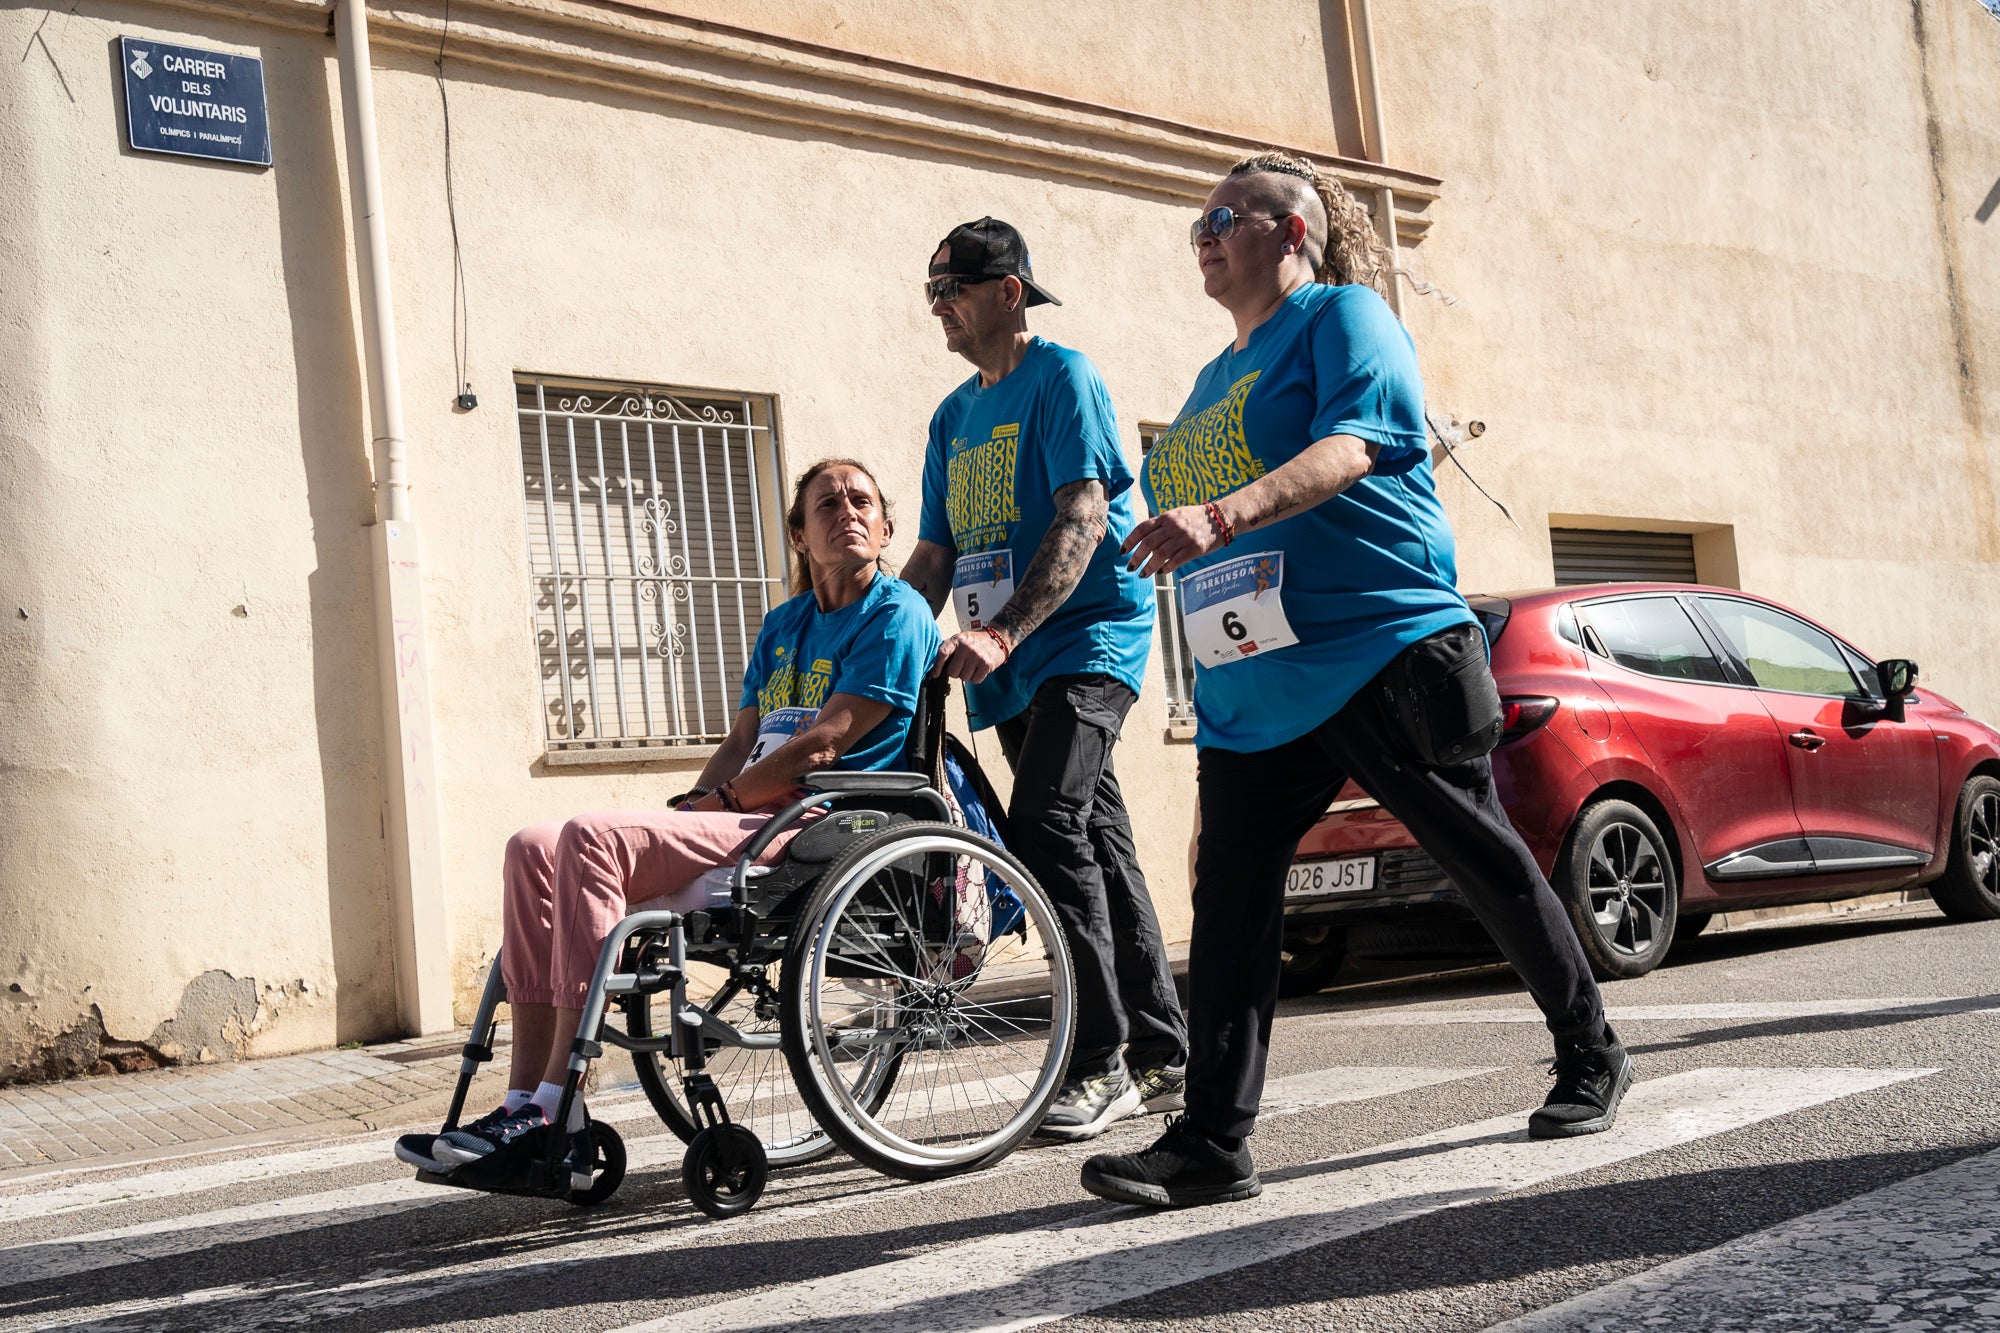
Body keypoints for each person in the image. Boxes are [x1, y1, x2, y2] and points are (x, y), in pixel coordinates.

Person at [1081, 153, 1631, 1208]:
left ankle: (1589, 1047)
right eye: (1197, 224)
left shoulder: (1344, 319)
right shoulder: (1209, 381)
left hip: (1379, 643)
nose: (1203, 237)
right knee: (1231, 903)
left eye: (1224, 219)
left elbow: (1354, 446)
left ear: (1291, 233)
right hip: (1254, 688)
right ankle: (1212, 1139)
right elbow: (1158, 513)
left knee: (1476, 853)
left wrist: (1221, 515)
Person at [394, 458, 939, 1188]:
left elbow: (824, 743)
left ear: (886, 527)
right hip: (743, 812)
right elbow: (742, 740)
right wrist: (697, 802)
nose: (847, 511)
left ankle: (559, 1101)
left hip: (815, 820)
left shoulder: (896, 613)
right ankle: (524, 1101)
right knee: (530, 847)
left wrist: (723, 803)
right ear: (799, 536)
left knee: (592, 837)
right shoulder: (783, 624)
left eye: (862, 501)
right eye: (828, 503)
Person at [898, 217, 1189, 1140]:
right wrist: (880, 640)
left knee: (1046, 823)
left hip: (1085, 637)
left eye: (952, 288)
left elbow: (1084, 515)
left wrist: (1004, 632)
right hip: (1009, 663)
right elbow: (934, 556)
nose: (938, 306)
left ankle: (1098, 1059)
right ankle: (1163, 1054)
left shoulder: (1063, 377)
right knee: (1097, 837)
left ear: (1009, 292)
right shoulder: (951, 418)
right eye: (931, 291)